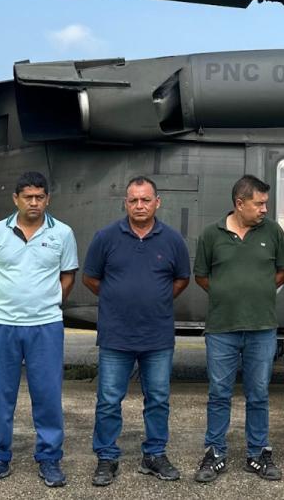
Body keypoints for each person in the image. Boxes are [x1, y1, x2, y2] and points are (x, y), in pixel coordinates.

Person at [0, 171, 78, 488]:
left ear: (48, 199)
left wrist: (50, 302)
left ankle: (49, 458)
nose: (34, 202)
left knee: (47, 395)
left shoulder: (63, 233)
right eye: (27, 197)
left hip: (45, 326)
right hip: (3, 325)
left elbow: (67, 276)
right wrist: (0, 307)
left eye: (39, 197)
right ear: (15, 199)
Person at [83, 176, 191, 487]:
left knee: (157, 398)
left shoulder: (172, 240)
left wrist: (154, 299)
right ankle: (106, 456)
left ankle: (154, 454)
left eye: (145, 200)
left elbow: (181, 279)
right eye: (133, 200)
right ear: (125, 203)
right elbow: (91, 279)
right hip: (116, 335)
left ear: (158, 202)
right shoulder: (105, 238)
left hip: (157, 337)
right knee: (108, 399)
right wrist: (119, 297)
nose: (139, 205)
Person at [193, 175, 284, 483]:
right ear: (239, 203)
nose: (264, 209)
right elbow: (202, 276)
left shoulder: (272, 231)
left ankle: (257, 453)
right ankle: (215, 453)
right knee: (219, 393)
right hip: (222, 327)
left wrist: (255, 293)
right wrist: (227, 295)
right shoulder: (211, 234)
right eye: (259, 203)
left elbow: (281, 272)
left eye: (265, 203)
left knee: (258, 394)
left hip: (262, 327)